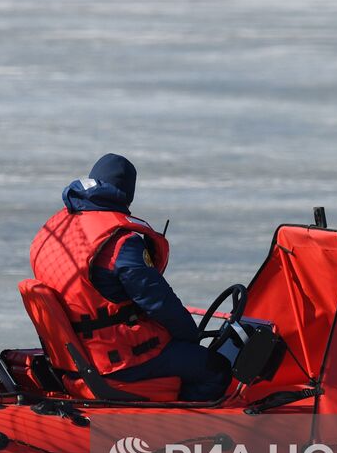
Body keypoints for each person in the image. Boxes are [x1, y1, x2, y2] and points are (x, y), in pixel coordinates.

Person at [29, 153, 230, 401]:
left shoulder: (60, 227)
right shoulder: (120, 241)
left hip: (76, 355)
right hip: (117, 359)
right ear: (128, 193)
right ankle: (183, 429)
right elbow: (157, 301)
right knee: (215, 368)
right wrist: (191, 336)